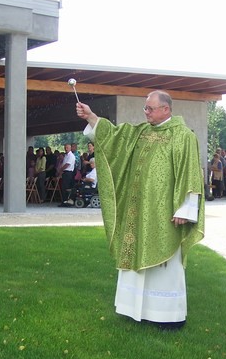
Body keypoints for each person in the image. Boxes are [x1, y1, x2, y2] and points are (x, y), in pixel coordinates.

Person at [76, 90, 204, 330]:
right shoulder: (142, 132)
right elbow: (116, 137)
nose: (146, 112)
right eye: (145, 108)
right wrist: (92, 117)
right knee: (136, 254)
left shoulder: (183, 136)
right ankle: (137, 310)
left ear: (166, 109)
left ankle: (167, 316)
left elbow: (191, 173)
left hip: (165, 212)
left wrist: (185, 209)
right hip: (139, 208)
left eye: (150, 109)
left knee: (164, 263)